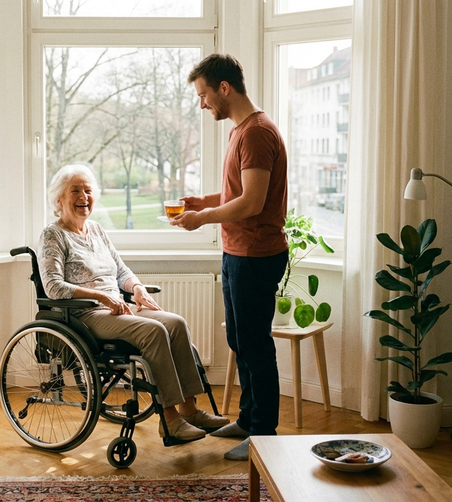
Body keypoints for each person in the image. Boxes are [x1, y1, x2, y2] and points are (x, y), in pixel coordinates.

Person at [38, 163, 229, 442]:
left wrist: (137, 288)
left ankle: (189, 410)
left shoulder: (97, 230)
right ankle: (170, 420)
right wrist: (101, 296)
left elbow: (121, 271)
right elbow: (53, 287)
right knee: (154, 331)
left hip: (116, 308)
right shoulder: (53, 234)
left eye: (88, 190)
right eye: (75, 191)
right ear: (59, 200)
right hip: (85, 315)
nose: (84, 197)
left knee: (175, 323)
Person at [173, 53, 289, 461]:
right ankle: (247, 420)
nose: (202, 104)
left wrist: (202, 218)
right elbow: (238, 192)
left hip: (255, 255)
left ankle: (263, 436)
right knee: (240, 340)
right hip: (238, 251)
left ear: (224, 88)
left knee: (255, 346)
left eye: (203, 95)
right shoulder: (240, 131)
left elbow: (252, 203)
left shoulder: (256, 133)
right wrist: (203, 202)